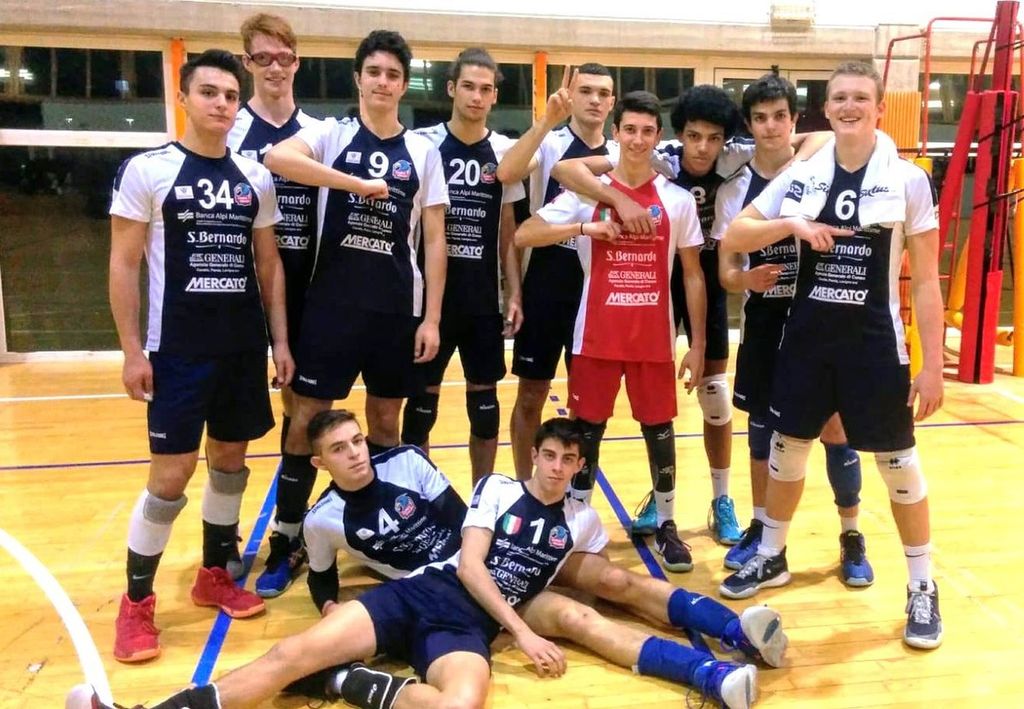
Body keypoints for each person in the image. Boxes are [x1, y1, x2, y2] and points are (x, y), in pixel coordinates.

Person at [69, 418, 776, 709]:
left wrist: (547, 615)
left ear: (580, 467)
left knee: (458, 706)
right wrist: (524, 631)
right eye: (549, 455)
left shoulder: (578, 522)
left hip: (465, 631)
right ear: (533, 456)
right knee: (285, 655)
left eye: (569, 459)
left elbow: (581, 585)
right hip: (418, 594)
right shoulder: (494, 490)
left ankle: (341, 680)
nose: (557, 466)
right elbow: (468, 564)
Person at [717, 61, 944, 650]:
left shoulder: (908, 180)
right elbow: (736, 236)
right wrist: (791, 223)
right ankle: (772, 554)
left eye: (860, 98)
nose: (848, 107)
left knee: (898, 465)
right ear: (827, 108)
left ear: (879, 108)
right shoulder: (803, 176)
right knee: (787, 450)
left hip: (875, 346)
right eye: (839, 98)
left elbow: (925, 281)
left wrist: (933, 366)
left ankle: (922, 585)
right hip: (807, 341)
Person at [107, 48, 293, 663]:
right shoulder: (148, 170)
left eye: (230, 96)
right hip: (177, 351)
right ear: (183, 98)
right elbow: (123, 265)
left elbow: (269, 266)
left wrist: (280, 342)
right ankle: (137, 602)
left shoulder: (254, 177)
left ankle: (215, 573)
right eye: (209, 92)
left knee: (231, 462)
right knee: (171, 474)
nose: (221, 104)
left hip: (240, 348)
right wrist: (132, 351)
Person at [262, 30, 448, 571]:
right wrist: (353, 183)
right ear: (358, 79)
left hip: (396, 310)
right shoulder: (331, 134)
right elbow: (277, 157)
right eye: (374, 73)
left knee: (385, 424)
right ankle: (287, 537)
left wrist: (432, 318)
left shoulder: (423, 151)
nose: (383, 82)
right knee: (307, 420)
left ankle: (378, 531)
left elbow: (435, 239)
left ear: (404, 84)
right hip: (333, 307)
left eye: (393, 75)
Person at [550, 85, 754, 546]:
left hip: (703, 268)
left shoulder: (736, 155)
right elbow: (566, 169)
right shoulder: (659, 153)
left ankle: (721, 497)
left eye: (713, 138)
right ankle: (649, 505)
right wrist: (619, 199)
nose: (702, 148)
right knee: (634, 413)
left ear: (725, 140)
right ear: (678, 135)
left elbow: (797, 140)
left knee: (713, 392)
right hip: (652, 269)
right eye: (694, 136)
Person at [515, 91, 706, 573]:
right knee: (587, 433)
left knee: (659, 431)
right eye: (630, 130)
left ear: (658, 137)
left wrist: (698, 343)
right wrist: (584, 230)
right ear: (615, 134)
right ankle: (577, 522)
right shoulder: (590, 195)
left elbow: (692, 275)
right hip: (595, 337)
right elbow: (524, 234)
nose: (638, 140)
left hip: (654, 340)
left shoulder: (677, 200)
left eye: (647, 131)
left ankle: (666, 524)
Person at [715, 74, 873, 585]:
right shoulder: (736, 188)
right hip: (765, 321)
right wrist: (745, 280)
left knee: (835, 430)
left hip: (820, 319)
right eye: (760, 118)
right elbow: (726, 267)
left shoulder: (817, 168)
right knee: (762, 430)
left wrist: (801, 147)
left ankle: (851, 533)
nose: (770, 127)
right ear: (749, 124)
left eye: (780, 116)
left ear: (794, 119)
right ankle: (763, 529)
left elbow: (833, 132)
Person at [225, 12, 323, 599]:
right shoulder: (230, 130)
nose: (275, 68)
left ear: (297, 62)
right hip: (239, 287)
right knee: (230, 422)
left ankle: (287, 535)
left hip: (305, 286)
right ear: (247, 63)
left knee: (302, 411)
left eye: (284, 58)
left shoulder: (317, 132)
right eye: (263, 58)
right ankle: (222, 539)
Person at [400, 48, 525, 483]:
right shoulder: (424, 144)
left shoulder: (504, 152)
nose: (476, 96)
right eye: (468, 86)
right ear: (452, 88)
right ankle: (421, 493)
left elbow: (507, 231)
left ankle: (481, 497)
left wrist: (514, 292)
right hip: (430, 300)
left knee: (485, 411)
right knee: (420, 409)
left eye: (485, 89)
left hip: (481, 300)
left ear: (494, 96)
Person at [496, 63, 624, 481]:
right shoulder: (551, 143)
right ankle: (524, 486)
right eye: (585, 91)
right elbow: (507, 173)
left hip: (598, 286)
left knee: (587, 402)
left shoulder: (620, 154)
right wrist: (546, 120)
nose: (594, 100)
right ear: (571, 95)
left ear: (612, 102)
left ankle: (573, 491)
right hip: (548, 279)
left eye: (602, 93)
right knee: (531, 393)